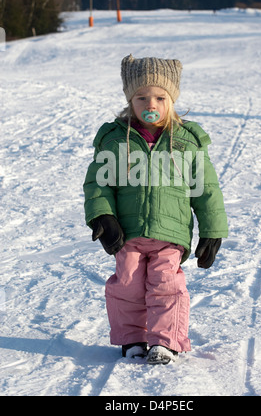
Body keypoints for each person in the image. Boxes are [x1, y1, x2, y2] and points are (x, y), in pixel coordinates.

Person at [83, 54, 228, 365]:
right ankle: (132, 339)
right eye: (142, 97)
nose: (151, 104)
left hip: (170, 232)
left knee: (167, 285)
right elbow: (98, 183)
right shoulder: (115, 139)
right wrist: (103, 215)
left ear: (172, 99)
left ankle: (164, 341)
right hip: (128, 232)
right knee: (127, 284)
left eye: (160, 97)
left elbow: (207, 190)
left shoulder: (187, 142)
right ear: (130, 99)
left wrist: (213, 230)